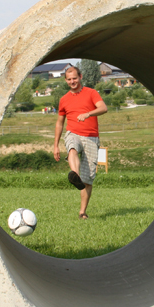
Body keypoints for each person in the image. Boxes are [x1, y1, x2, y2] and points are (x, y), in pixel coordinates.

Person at [53, 66, 107, 219]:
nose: (72, 82)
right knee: (72, 148)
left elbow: (103, 108)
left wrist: (88, 114)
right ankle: (74, 175)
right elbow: (59, 123)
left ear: (80, 77)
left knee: (87, 179)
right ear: (66, 80)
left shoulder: (91, 93)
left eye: (75, 78)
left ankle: (82, 212)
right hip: (73, 132)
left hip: (91, 137)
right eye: (69, 79)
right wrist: (55, 145)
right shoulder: (64, 99)